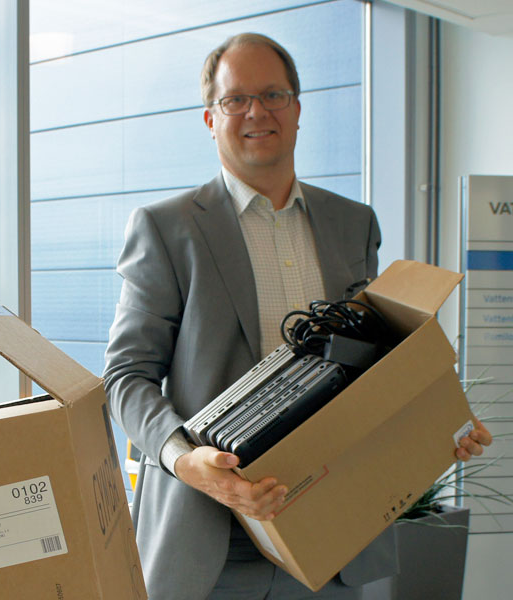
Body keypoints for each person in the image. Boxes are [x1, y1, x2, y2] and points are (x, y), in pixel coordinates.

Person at [103, 33, 492, 600]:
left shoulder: (353, 224)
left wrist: (436, 420)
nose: (256, 111)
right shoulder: (167, 229)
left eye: (273, 95)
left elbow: (379, 359)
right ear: (210, 119)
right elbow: (125, 377)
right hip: (210, 542)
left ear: (298, 108)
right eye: (235, 99)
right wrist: (185, 461)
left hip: (331, 534)